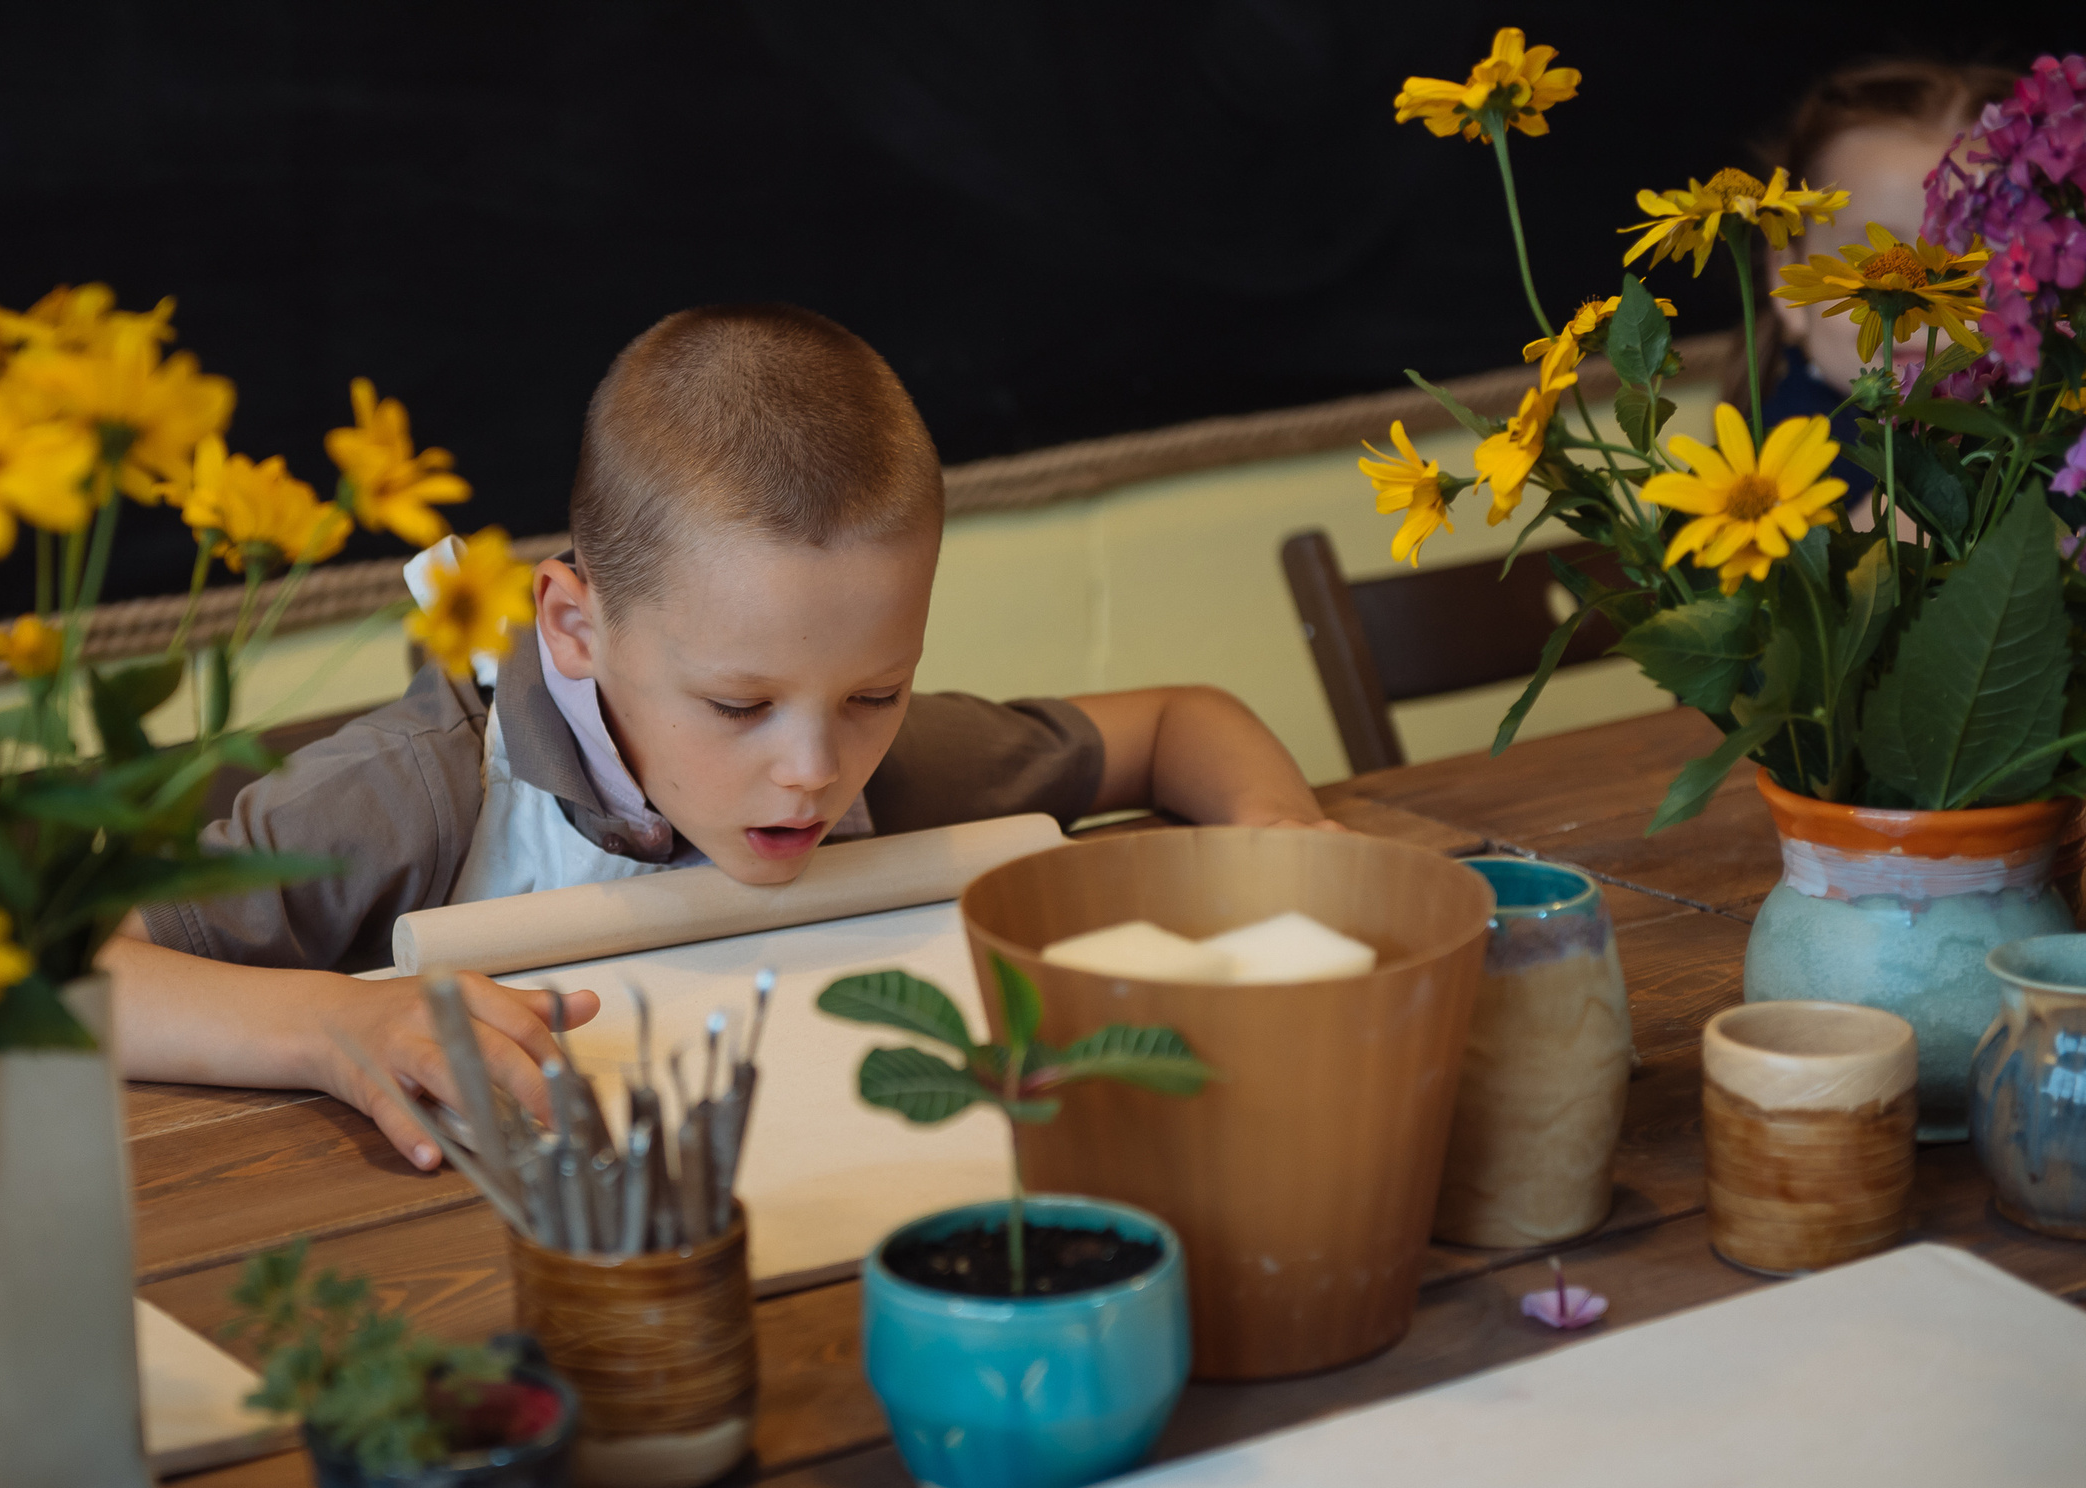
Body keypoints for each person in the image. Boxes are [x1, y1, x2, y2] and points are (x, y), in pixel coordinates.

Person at [100, 303, 1335, 1166]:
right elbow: (62, 974)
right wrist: (334, 1025)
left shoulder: (887, 769)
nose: (812, 768)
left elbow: (1184, 722)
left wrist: (1290, 844)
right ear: (575, 625)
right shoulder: (416, 791)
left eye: (874, 691)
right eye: (739, 707)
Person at [1756, 59, 2016, 522]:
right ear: (1786, 281)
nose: (1914, 300)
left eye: (1965, 264)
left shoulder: (2043, 433)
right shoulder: (1755, 481)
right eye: (1876, 265)